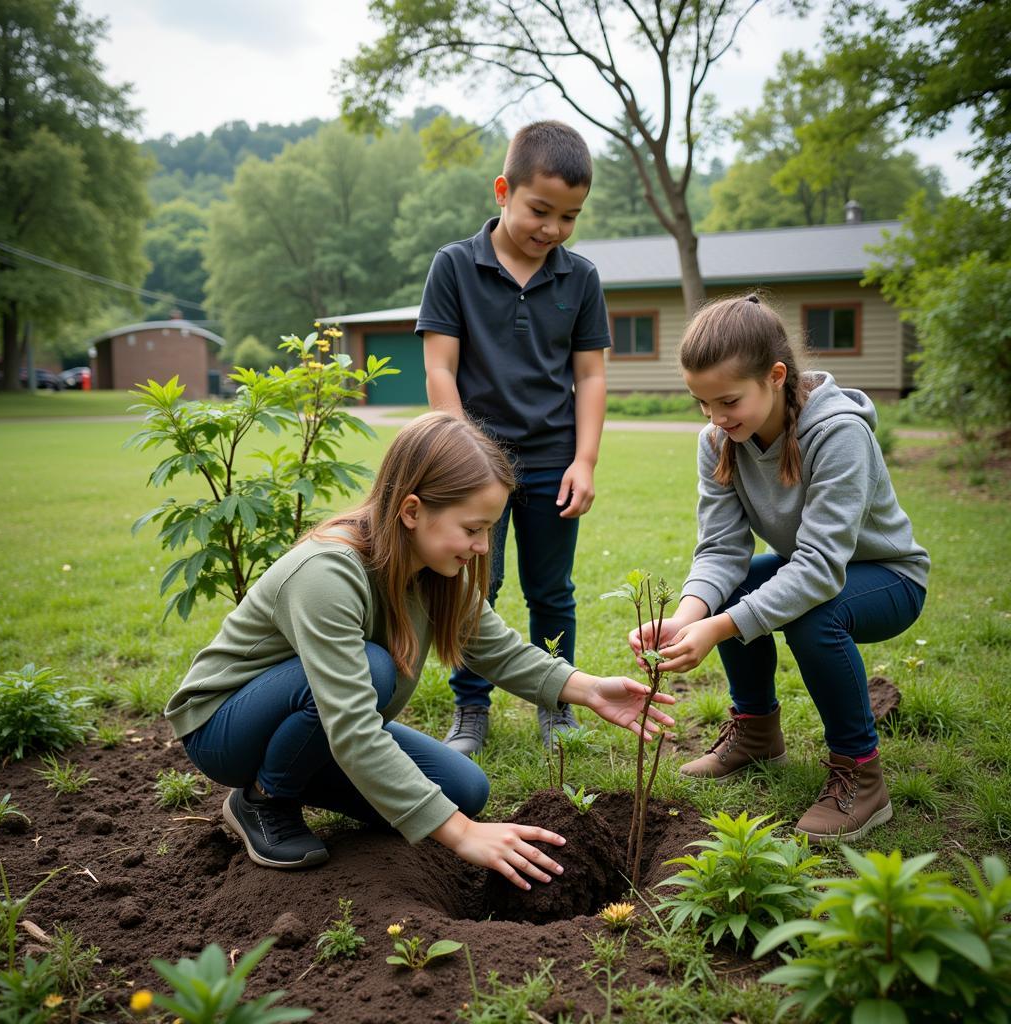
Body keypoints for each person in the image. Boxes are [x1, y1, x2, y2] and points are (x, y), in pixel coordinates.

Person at [166, 413, 673, 885]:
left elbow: (499, 651)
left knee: (463, 794)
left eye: (488, 530)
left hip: (321, 719)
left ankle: (293, 775)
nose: (481, 546)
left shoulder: (435, 571)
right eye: (472, 529)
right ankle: (263, 798)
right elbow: (352, 724)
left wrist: (588, 691)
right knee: (375, 671)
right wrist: (462, 836)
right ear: (412, 510)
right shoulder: (328, 573)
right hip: (223, 727)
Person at [630, 295, 929, 843]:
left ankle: (860, 775)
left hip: (889, 578)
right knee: (734, 592)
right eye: (702, 403)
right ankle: (756, 734)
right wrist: (689, 616)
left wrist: (720, 628)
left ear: (775, 376)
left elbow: (818, 569)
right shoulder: (718, 440)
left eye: (728, 401)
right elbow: (722, 549)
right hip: (815, 572)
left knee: (813, 617)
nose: (716, 419)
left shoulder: (839, 432)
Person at [418, 120, 611, 756]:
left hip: (554, 459)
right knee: (475, 587)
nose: (552, 228)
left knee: (551, 590)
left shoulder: (579, 279)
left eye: (569, 216)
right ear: (503, 190)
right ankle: (471, 708)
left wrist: (584, 461)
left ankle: (556, 704)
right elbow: (440, 367)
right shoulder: (454, 266)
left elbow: (589, 374)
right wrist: (462, 455)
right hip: (478, 464)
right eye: (540, 209)